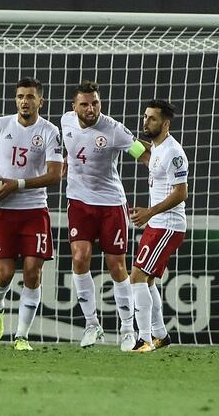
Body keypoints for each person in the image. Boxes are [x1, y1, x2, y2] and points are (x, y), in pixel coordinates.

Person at [0, 77, 63, 351]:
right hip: (2, 211)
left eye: (30, 96)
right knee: (5, 274)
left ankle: (22, 336)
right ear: (15, 99)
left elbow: (55, 175)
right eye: (20, 96)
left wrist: (16, 184)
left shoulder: (49, 132)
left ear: (40, 101)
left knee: (33, 272)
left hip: (34, 210)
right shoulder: (0, 125)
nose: (24, 101)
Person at [61, 80, 148, 351]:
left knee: (117, 266)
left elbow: (141, 154)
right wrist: (65, 161)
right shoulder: (65, 122)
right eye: (85, 104)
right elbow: (71, 150)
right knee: (79, 258)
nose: (91, 108)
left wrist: (162, 162)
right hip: (78, 202)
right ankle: (91, 324)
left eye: (95, 103)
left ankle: (126, 329)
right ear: (74, 106)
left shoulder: (113, 130)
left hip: (111, 205)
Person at [128, 99, 188, 353]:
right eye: (145, 117)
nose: (146, 122)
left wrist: (150, 211)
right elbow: (147, 159)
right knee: (147, 280)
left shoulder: (173, 152)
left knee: (137, 277)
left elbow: (181, 192)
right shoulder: (157, 149)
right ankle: (160, 335)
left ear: (165, 124)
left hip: (168, 225)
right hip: (158, 224)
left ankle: (144, 339)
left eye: (152, 118)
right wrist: (121, 140)